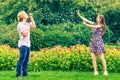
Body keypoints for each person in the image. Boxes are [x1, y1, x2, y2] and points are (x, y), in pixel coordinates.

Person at [77, 10, 108, 76]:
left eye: (98, 18)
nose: (96, 19)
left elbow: (93, 27)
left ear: (101, 19)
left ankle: (105, 71)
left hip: (99, 42)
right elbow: (87, 20)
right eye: (97, 18)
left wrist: (85, 24)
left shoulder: (101, 25)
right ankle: (95, 71)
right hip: (93, 42)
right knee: (93, 58)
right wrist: (80, 16)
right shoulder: (95, 23)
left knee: (102, 58)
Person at [16, 11, 36, 78]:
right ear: (22, 16)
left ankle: (25, 73)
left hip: (28, 44)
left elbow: (34, 26)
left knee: (26, 60)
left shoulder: (26, 24)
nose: (26, 14)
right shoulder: (20, 24)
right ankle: (18, 74)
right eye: (25, 14)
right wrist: (29, 27)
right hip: (23, 44)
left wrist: (31, 18)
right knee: (22, 59)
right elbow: (24, 34)